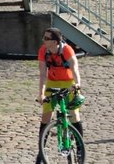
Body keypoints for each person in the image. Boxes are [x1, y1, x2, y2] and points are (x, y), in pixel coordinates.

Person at [37, 28, 83, 163]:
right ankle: (41, 153)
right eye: (43, 37)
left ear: (55, 41)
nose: (43, 40)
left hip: (69, 83)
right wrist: (41, 93)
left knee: (74, 114)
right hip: (52, 82)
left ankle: (80, 150)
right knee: (46, 116)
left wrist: (77, 84)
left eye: (46, 38)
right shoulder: (43, 51)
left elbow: (75, 68)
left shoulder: (67, 50)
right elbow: (43, 75)